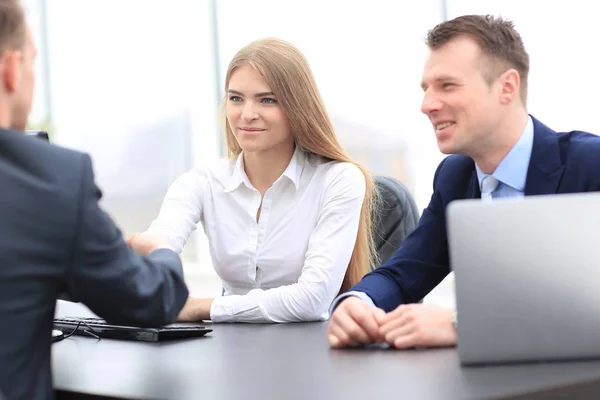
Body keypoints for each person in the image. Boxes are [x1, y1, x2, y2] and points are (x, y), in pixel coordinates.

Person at [327, 14, 600, 349]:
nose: (427, 105)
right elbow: (402, 273)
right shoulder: (455, 176)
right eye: (426, 89)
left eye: (448, 85)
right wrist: (358, 303)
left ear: (507, 87)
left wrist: (461, 323)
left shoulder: (589, 165)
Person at [0, 1, 190, 399]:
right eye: (34, 62)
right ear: (12, 69)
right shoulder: (48, 182)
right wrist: (163, 252)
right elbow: (150, 301)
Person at [128, 38, 377, 323]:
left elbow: (312, 299)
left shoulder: (339, 180)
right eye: (236, 98)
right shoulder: (203, 181)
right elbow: (161, 239)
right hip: (230, 349)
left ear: (297, 107)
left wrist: (203, 307)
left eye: (267, 100)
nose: (246, 115)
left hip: (315, 352)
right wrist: (139, 251)